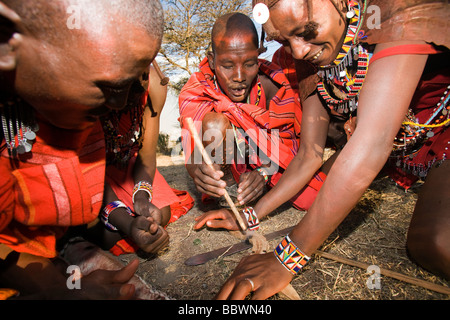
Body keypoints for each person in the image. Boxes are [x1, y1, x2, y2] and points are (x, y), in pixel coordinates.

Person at [215, 0, 449, 300]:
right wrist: (249, 215)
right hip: (401, 149)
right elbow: (309, 155)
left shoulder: (394, 7)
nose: (297, 51)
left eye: (306, 31)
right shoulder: (306, 56)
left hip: (443, 133)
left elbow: (372, 142)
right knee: (315, 191)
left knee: (436, 242)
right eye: (284, 41)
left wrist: (286, 258)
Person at [0, 0, 165, 299]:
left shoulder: (68, 107)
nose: (118, 105)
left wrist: (66, 284)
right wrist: (58, 289)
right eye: (109, 88)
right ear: (6, 39)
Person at [179, 12, 330, 231]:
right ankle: (231, 198)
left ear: (259, 56)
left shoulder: (273, 86)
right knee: (213, 124)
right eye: (227, 65)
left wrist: (264, 174)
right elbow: (191, 146)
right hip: (229, 173)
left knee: (310, 198)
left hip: (265, 169)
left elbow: (288, 147)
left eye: (249, 63)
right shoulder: (198, 89)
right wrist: (199, 173)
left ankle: (261, 191)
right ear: (212, 60)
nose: (239, 76)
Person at [83, 62, 194, 257]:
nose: (128, 96)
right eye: (120, 87)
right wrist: (127, 223)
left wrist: (141, 197)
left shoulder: (155, 85)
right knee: (104, 236)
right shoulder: (84, 90)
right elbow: (85, 167)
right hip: (89, 170)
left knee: (161, 214)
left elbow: (147, 154)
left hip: (127, 161)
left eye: (139, 81)